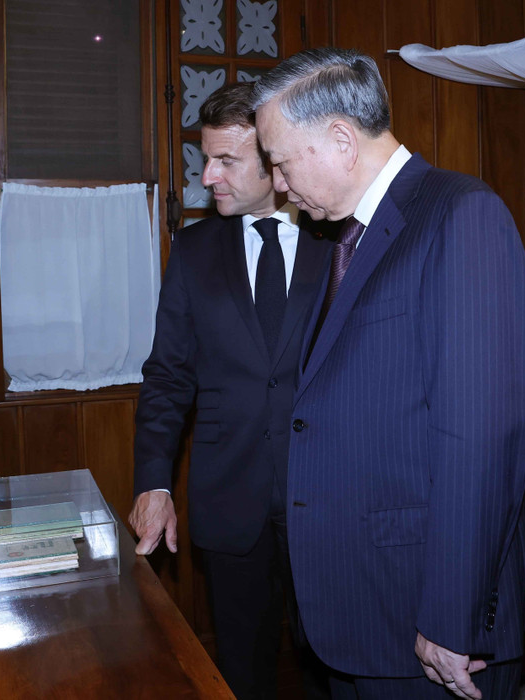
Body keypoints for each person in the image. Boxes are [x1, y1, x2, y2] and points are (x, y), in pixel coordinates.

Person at [252, 48, 525, 700]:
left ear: (341, 140)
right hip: (357, 615)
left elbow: (482, 436)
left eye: (280, 160)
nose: (276, 183)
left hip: (429, 625)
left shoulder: (461, 215)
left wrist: (451, 614)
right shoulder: (342, 240)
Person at [128, 81, 331, 699]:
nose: (207, 177)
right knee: (240, 673)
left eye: (225, 161)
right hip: (229, 503)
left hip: (326, 503)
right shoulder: (192, 250)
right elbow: (168, 375)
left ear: (274, 166)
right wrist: (155, 484)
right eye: (205, 159)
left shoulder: (339, 241)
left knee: (334, 671)